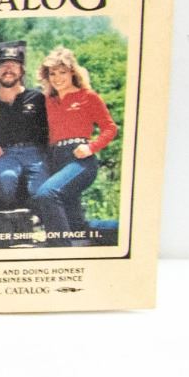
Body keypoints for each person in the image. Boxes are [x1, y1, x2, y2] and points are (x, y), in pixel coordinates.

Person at [30, 47, 118, 245]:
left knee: (47, 193)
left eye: (62, 72)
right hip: (55, 160)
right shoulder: (47, 101)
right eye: (52, 73)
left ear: (72, 72)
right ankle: (126, 230)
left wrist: (91, 147)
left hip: (80, 161)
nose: (57, 78)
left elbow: (110, 128)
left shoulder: (88, 96)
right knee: (77, 226)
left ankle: (60, 252)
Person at [0, 45, 48, 209]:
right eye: (3, 65)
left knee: (40, 191)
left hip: (34, 153)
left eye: (13, 65)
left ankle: (34, 214)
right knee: (6, 180)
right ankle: (8, 216)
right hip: (5, 154)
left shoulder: (37, 98)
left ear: (21, 71)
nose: (8, 69)